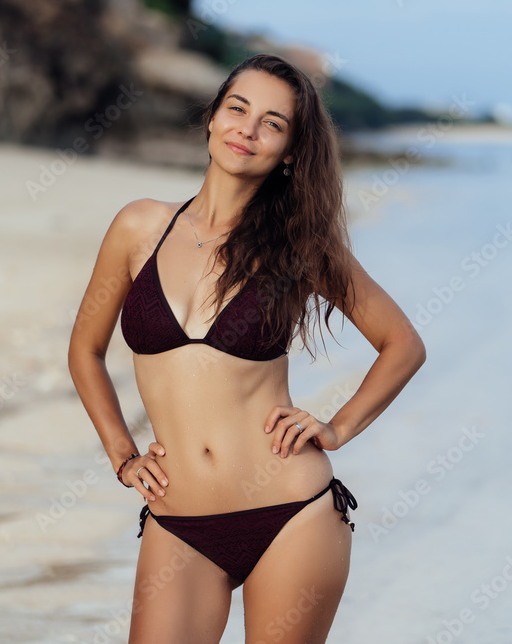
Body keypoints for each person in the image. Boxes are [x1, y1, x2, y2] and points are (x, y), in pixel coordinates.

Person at [68, 53, 426, 643]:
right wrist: (121, 454)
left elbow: (402, 344)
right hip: (178, 520)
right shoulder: (139, 228)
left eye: (273, 123)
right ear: (211, 119)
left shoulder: (301, 248)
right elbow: (85, 350)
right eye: (237, 108)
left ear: (288, 153)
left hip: (293, 514)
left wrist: (335, 428)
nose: (248, 129)